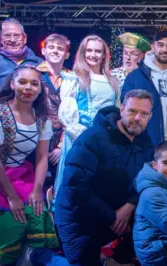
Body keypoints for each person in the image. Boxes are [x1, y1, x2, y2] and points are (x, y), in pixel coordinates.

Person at [54, 90, 155, 266]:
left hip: (117, 215)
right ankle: (39, 256)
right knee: (84, 265)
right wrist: (112, 217)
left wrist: (131, 204)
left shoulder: (146, 144)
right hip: (79, 218)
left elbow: (149, 181)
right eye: (132, 111)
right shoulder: (93, 138)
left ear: (150, 116)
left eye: (144, 114)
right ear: (122, 109)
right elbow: (75, 188)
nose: (137, 118)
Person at [0, 66, 58, 266]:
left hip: (21, 174)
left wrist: (37, 189)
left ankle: (30, 258)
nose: (28, 87)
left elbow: (42, 157)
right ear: (12, 84)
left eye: (34, 83)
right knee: (8, 219)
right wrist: (11, 197)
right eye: (23, 82)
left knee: (36, 210)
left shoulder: (42, 118)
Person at [53, 35, 120, 209]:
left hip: (105, 139)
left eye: (98, 51)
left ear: (104, 55)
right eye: (89, 50)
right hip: (80, 138)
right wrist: (85, 137)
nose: (93, 55)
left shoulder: (112, 80)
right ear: (82, 53)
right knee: (76, 180)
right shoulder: (74, 78)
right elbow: (67, 114)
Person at [36, 33, 71, 186]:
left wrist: (61, 144)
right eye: (51, 47)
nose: (55, 51)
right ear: (43, 51)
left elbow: (72, 116)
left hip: (63, 140)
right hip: (37, 137)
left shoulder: (72, 78)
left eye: (60, 48)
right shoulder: (35, 74)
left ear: (67, 54)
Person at [0, 18, 43, 93]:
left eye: (17, 36)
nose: (12, 40)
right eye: (7, 36)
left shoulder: (39, 63)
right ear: (0, 39)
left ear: (24, 38)